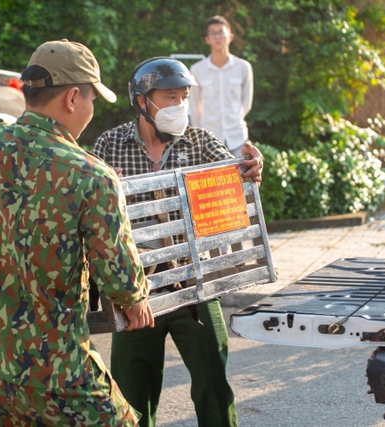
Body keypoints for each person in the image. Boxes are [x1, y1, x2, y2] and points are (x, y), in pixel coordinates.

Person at [0, 39, 154, 427]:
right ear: (73, 98)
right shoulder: (91, 175)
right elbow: (121, 282)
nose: (91, 108)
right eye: (92, 99)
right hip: (59, 378)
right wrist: (136, 302)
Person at [92, 57, 264, 427]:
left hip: (195, 286)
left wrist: (251, 168)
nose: (179, 106)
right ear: (142, 101)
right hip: (137, 293)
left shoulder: (201, 141)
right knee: (133, 394)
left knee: (213, 385)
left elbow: (234, 176)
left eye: (184, 98)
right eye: (170, 98)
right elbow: (89, 208)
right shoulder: (109, 145)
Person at [189, 15, 254, 158]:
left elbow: (246, 103)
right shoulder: (197, 70)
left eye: (221, 32)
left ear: (230, 36)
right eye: (213, 33)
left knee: (243, 179)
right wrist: (199, 137)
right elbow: (194, 107)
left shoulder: (243, 67)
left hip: (238, 138)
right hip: (209, 141)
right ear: (207, 39)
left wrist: (234, 120)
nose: (217, 36)